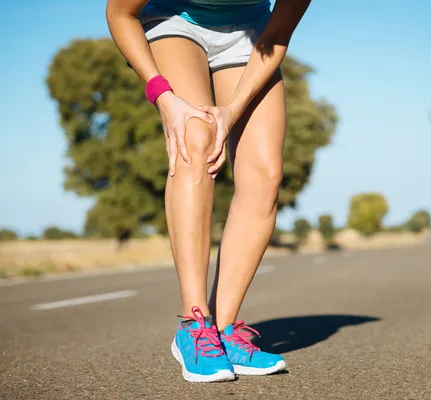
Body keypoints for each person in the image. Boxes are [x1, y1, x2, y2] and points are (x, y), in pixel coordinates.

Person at [105, 0, 311, 383]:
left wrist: (231, 110)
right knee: (195, 138)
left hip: (250, 33)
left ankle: (225, 330)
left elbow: (278, 34)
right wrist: (162, 95)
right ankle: (194, 325)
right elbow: (119, 13)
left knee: (265, 173)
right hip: (174, 23)